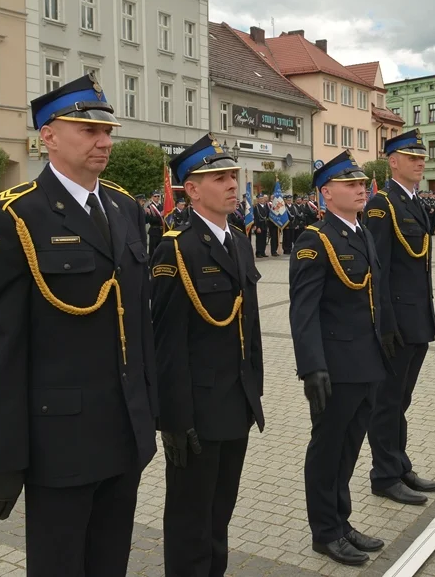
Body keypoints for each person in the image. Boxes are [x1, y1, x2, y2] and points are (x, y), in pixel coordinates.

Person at [0, 72, 157, 576]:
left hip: (124, 429)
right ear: (47, 135)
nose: (104, 141)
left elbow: (138, 324)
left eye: (107, 131)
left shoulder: (124, 207)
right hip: (60, 440)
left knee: (110, 562)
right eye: (87, 130)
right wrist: (4, 456)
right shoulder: (11, 217)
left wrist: (153, 410)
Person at [151, 134, 265, 577]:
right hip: (196, 412)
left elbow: (248, 328)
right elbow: (166, 343)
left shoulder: (237, 241)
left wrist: (253, 389)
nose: (232, 184)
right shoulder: (175, 249)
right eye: (219, 178)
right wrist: (174, 420)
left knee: (220, 512)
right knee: (189, 518)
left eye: (233, 175)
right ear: (192, 190)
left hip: (235, 402)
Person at [289, 150, 389, 566]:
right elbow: (304, 309)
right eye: (351, 184)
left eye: (362, 182)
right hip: (335, 368)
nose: (361, 188)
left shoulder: (359, 231)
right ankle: (325, 532)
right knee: (328, 450)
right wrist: (312, 366)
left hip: (366, 363)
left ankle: (341, 521)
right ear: (327, 193)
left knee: (349, 448)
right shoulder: (316, 239)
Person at [363, 130, 435, 507]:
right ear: (392, 161)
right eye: (412, 156)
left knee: (402, 400)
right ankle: (384, 475)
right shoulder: (382, 205)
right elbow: (378, 271)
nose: (420, 161)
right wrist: (385, 324)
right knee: (387, 402)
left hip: (417, 320)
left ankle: (400, 464)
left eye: (421, 156)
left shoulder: (415, 202)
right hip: (396, 324)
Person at [253, 193, 270, 258]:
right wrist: (257, 227)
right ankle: (258, 253)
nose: (262, 200)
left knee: (264, 239)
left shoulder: (266, 206)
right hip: (259, 225)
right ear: (258, 200)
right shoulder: (256, 207)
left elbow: (267, 215)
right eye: (260, 199)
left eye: (262, 198)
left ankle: (263, 252)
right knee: (259, 240)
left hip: (265, 225)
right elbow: (255, 218)